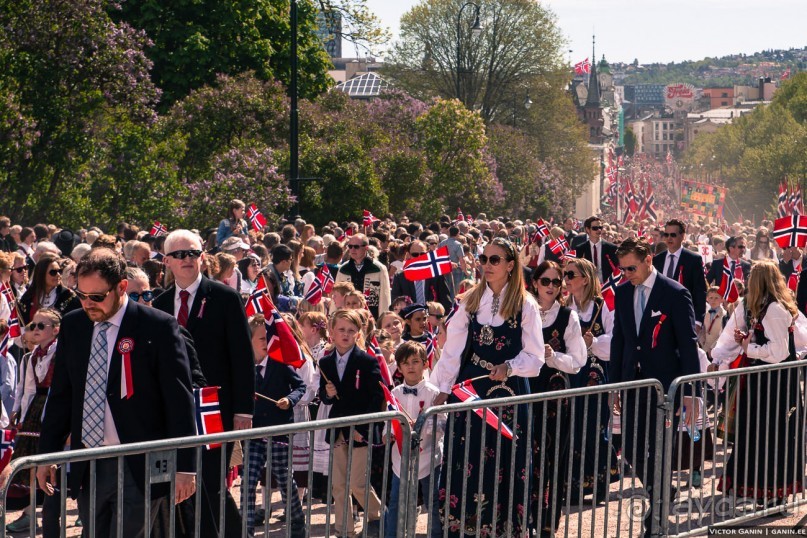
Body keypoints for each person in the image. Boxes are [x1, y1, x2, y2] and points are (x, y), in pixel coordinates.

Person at [36, 248, 197, 537]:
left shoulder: (158, 327)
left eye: (97, 296)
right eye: (81, 295)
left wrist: (186, 466)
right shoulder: (74, 324)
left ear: (121, 287)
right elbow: (62, 395)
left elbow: (179, 399)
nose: (88, 303)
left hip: (140, 461)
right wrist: (46, 454)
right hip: (90, 464)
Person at [430, 237, 543, 536]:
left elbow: (536, 357)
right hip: (471, 390)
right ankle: (463, 528)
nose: (487, 265)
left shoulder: (525, 304)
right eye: (484, 259)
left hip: (510, 393)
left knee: (507, 461)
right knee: (465, 459)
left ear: (510, 265)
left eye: (495, 260)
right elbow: (452, 349)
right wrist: (442, 389)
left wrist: (510, 367)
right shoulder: (469, 300)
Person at [153, 229, 254, 538]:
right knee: (176, 484)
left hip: (215, 410)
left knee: (211, 483)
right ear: (167, 261)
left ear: (203, 258)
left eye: (193, 253)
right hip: (172, 412)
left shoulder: (224, 297)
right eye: (180, 255)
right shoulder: (158, 304)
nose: (188, 260)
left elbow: (242, 355)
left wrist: (243, 411)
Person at [609, 238, 700, 536]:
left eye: (631, 268)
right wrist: (614, 386)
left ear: (649, 259)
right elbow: (619, 340)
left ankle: (657, 513)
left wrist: (691, 393)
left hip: (665, 388)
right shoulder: (622, 292)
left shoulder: (675, 293)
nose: (627, 274)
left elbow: (688, 345)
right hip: (633, 384)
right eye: (623, 269)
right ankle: (661, 490)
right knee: (631, 448)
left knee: (660, 448)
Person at [709, 260, 806, 507]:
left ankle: (775, 492)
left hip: (778, 383)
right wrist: (723, 356)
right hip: (759, 381)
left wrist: (748, 348)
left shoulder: (775, 309)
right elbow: (733, 335)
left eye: (753, 277)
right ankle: (757, 489)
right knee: (753, 432)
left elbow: (779, 351)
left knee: (775, 435)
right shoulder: (752, 306)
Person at [528, 261, 587, 536]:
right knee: (521, 457)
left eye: (556, 281)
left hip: (554, 398)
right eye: (545, 281)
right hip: (523, 391)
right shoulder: (520, 312)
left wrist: (553, 358)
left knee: (551, 460)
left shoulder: (568, 317)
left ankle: (547, 525)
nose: (551, 287)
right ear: (534, 283)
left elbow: (578, 361)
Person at [318, 309, 384, 537]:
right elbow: (323, 396)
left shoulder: (367, 361)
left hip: (360, 430)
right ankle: (343, 530)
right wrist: (327, 393)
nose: (346, 334)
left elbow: (378, 397)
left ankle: (380, 515)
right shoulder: (325, 362)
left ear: (358, 334)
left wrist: (363, 428)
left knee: (357, 483)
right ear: (332, 332)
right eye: (341, 330)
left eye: (351, 330)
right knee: (338, 484)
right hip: (338, 428)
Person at [562, 258, 620, 505]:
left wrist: (593, 342)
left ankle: (598, 482)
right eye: (565, 274)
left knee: (594, 427)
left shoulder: (602, 305)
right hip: (569, 374)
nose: (566, 279)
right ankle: (572, 485)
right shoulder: (564, 308)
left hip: (594, 374)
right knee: (572, 427)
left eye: (570, 275)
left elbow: (615, 338)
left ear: (585, 279)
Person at [245, 314, 306, 538]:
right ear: (249, 340)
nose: (266, 342)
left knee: (283, 478)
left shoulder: (280, 364)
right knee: (248, 482)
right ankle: (247, 528)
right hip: (254, 433)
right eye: (261, 338)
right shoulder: (244, 366)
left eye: (268, 337)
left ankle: (297, 522)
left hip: (279, 431)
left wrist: (289, 400)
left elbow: (300, 387)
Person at [384, 341, 443, 538]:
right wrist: (389, 434)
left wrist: (422, 429)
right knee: (396, 501)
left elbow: (442, 423)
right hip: (401, 458)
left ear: (425, 364)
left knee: (432, 501)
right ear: (399, 367)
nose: (411, 366)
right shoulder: (395, 393)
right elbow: (388, 420)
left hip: (429, 456)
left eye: (416, 361)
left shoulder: (434, 393)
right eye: (406, 363)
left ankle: (435, 534)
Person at [653, 219, 707, 329]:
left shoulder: (693, 259)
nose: (669, 238)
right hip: (659, 318)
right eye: (666, 234)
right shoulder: (658, 259)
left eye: (673, 235)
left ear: (682, 236)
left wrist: (697, 321)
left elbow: (699, 291)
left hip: (684, 318)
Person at [336, 234, 390, 319]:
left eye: (356, 247)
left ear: (366, 248)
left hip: (371, 316)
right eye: (350, 246)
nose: (352, 249)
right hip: (347, 317)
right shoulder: (343, 269)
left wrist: (383, 319)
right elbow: (337, 295)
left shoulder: (379, 269)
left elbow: (385, 297)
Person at [390, 240, 452, 312]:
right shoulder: (400, 277)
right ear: (409, 255)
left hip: (432, 318)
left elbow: (445, 300)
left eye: (422, 254)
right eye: (415, 254)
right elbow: (395, 302)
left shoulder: (437, 275)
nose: (419, 257)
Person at [17, 254, 80, 324]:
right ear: (42, 274)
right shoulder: (28, 298)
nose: (58, 275)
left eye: (59, 271)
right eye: (53, 272)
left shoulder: (69, 297)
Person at [576, 217, 618, 283]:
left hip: (606, 285)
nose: (598, 230)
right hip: (588, 285)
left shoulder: (611, 248)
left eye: (600, 227)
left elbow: (617, 267)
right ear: (587, 229)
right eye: (595, 228)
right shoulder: (581, 249)